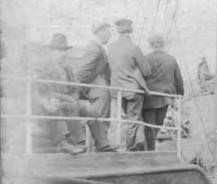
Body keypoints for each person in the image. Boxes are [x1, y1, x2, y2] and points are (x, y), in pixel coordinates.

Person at [33, 34, 85, 154]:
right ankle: (64, 143)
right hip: (51, 98)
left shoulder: (68, 68)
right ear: (52, 51)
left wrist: (73, 97)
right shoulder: (43, 67)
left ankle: (83, 142)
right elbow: (41, 88)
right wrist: (67, 98)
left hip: (66, 99)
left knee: (86, 108)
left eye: (64, 50)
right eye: (59, 50)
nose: (62, 53)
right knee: (57, 105)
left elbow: (74, 88)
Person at [107, 18, 151, 151]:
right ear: (130, 32)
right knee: (133, 118)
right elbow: (147, 70)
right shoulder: (134, 47)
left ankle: (131, 143)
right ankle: (129, 147)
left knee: (123, 119)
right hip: (132, 90)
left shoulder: (110, 48)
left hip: (116, 90)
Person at [74, 22, 114, 151]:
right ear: (100, 32)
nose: (109, 35)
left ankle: (101, 147)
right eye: (108, 32)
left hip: (99, 89)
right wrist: (76, 90)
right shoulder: (94, 48)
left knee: (100, 121)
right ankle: (101, 149)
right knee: (99, 120)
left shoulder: (98, 48)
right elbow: (83, 71)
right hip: (98, 90)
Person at [142, 35, 184, 151]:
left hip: (149, 99)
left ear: (151, 45)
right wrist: (180, 95)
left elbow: (140, 77)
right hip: (165, 99)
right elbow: (179, 81)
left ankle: (149, 151)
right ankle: (151, 150)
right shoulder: (171, 59)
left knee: (149, 127)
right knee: (157, 125)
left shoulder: (145, 59)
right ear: (162, 44)